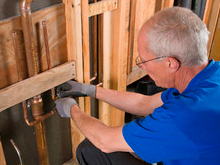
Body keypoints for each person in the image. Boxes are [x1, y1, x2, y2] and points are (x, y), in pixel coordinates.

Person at [55, 7, 220, 165]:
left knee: (90, 150)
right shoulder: (209, 77)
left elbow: (104, 140)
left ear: (171, 63)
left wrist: (72, 109)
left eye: (144, 60)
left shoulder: (187, 113)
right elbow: (144, 104)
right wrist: (90, 90)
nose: (142, 66)